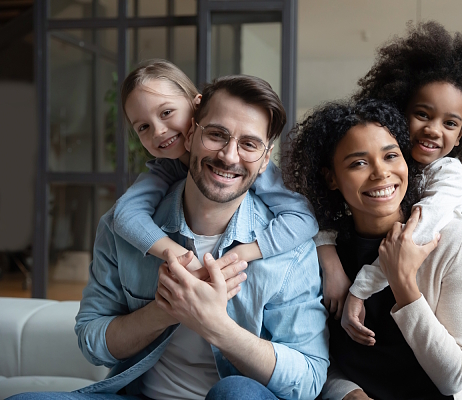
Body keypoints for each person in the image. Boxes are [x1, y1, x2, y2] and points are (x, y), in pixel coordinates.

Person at [10, 75, 329, 400]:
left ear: (264, 160)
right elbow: (93, 344)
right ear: (190, 135)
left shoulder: (288, 247)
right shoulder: (127, 226)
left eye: (249, 144)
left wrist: (215, 325)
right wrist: (165, 310)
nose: (229, 156)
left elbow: (308, 380)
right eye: (217, 135)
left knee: (237, 393)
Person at [283, 98, 462, 399]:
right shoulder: (321, 255)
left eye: (391, 156)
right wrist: (348, 394)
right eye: (358, 163)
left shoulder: (454, 244)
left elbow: (454, 378)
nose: (381, 173)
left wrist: (404, 284)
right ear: (331, 178)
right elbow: (314, 360)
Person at [315, 21, 462, 337]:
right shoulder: (385, 165)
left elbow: (412, 239)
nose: (434, 129)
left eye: (450, 123)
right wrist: (331, 263)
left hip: (423, 280)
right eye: (423, 114)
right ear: (400, 110)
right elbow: (320, 207)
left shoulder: (447, 175)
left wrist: (358, 289)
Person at [114, 59, 318, 273]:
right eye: (143, 127)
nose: (158, 131)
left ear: (197, 105)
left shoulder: (246, 164)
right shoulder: (164, 169)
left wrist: (243, 253)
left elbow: (303, 217)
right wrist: (181, 257)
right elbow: (125, 215)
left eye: (166, 113)